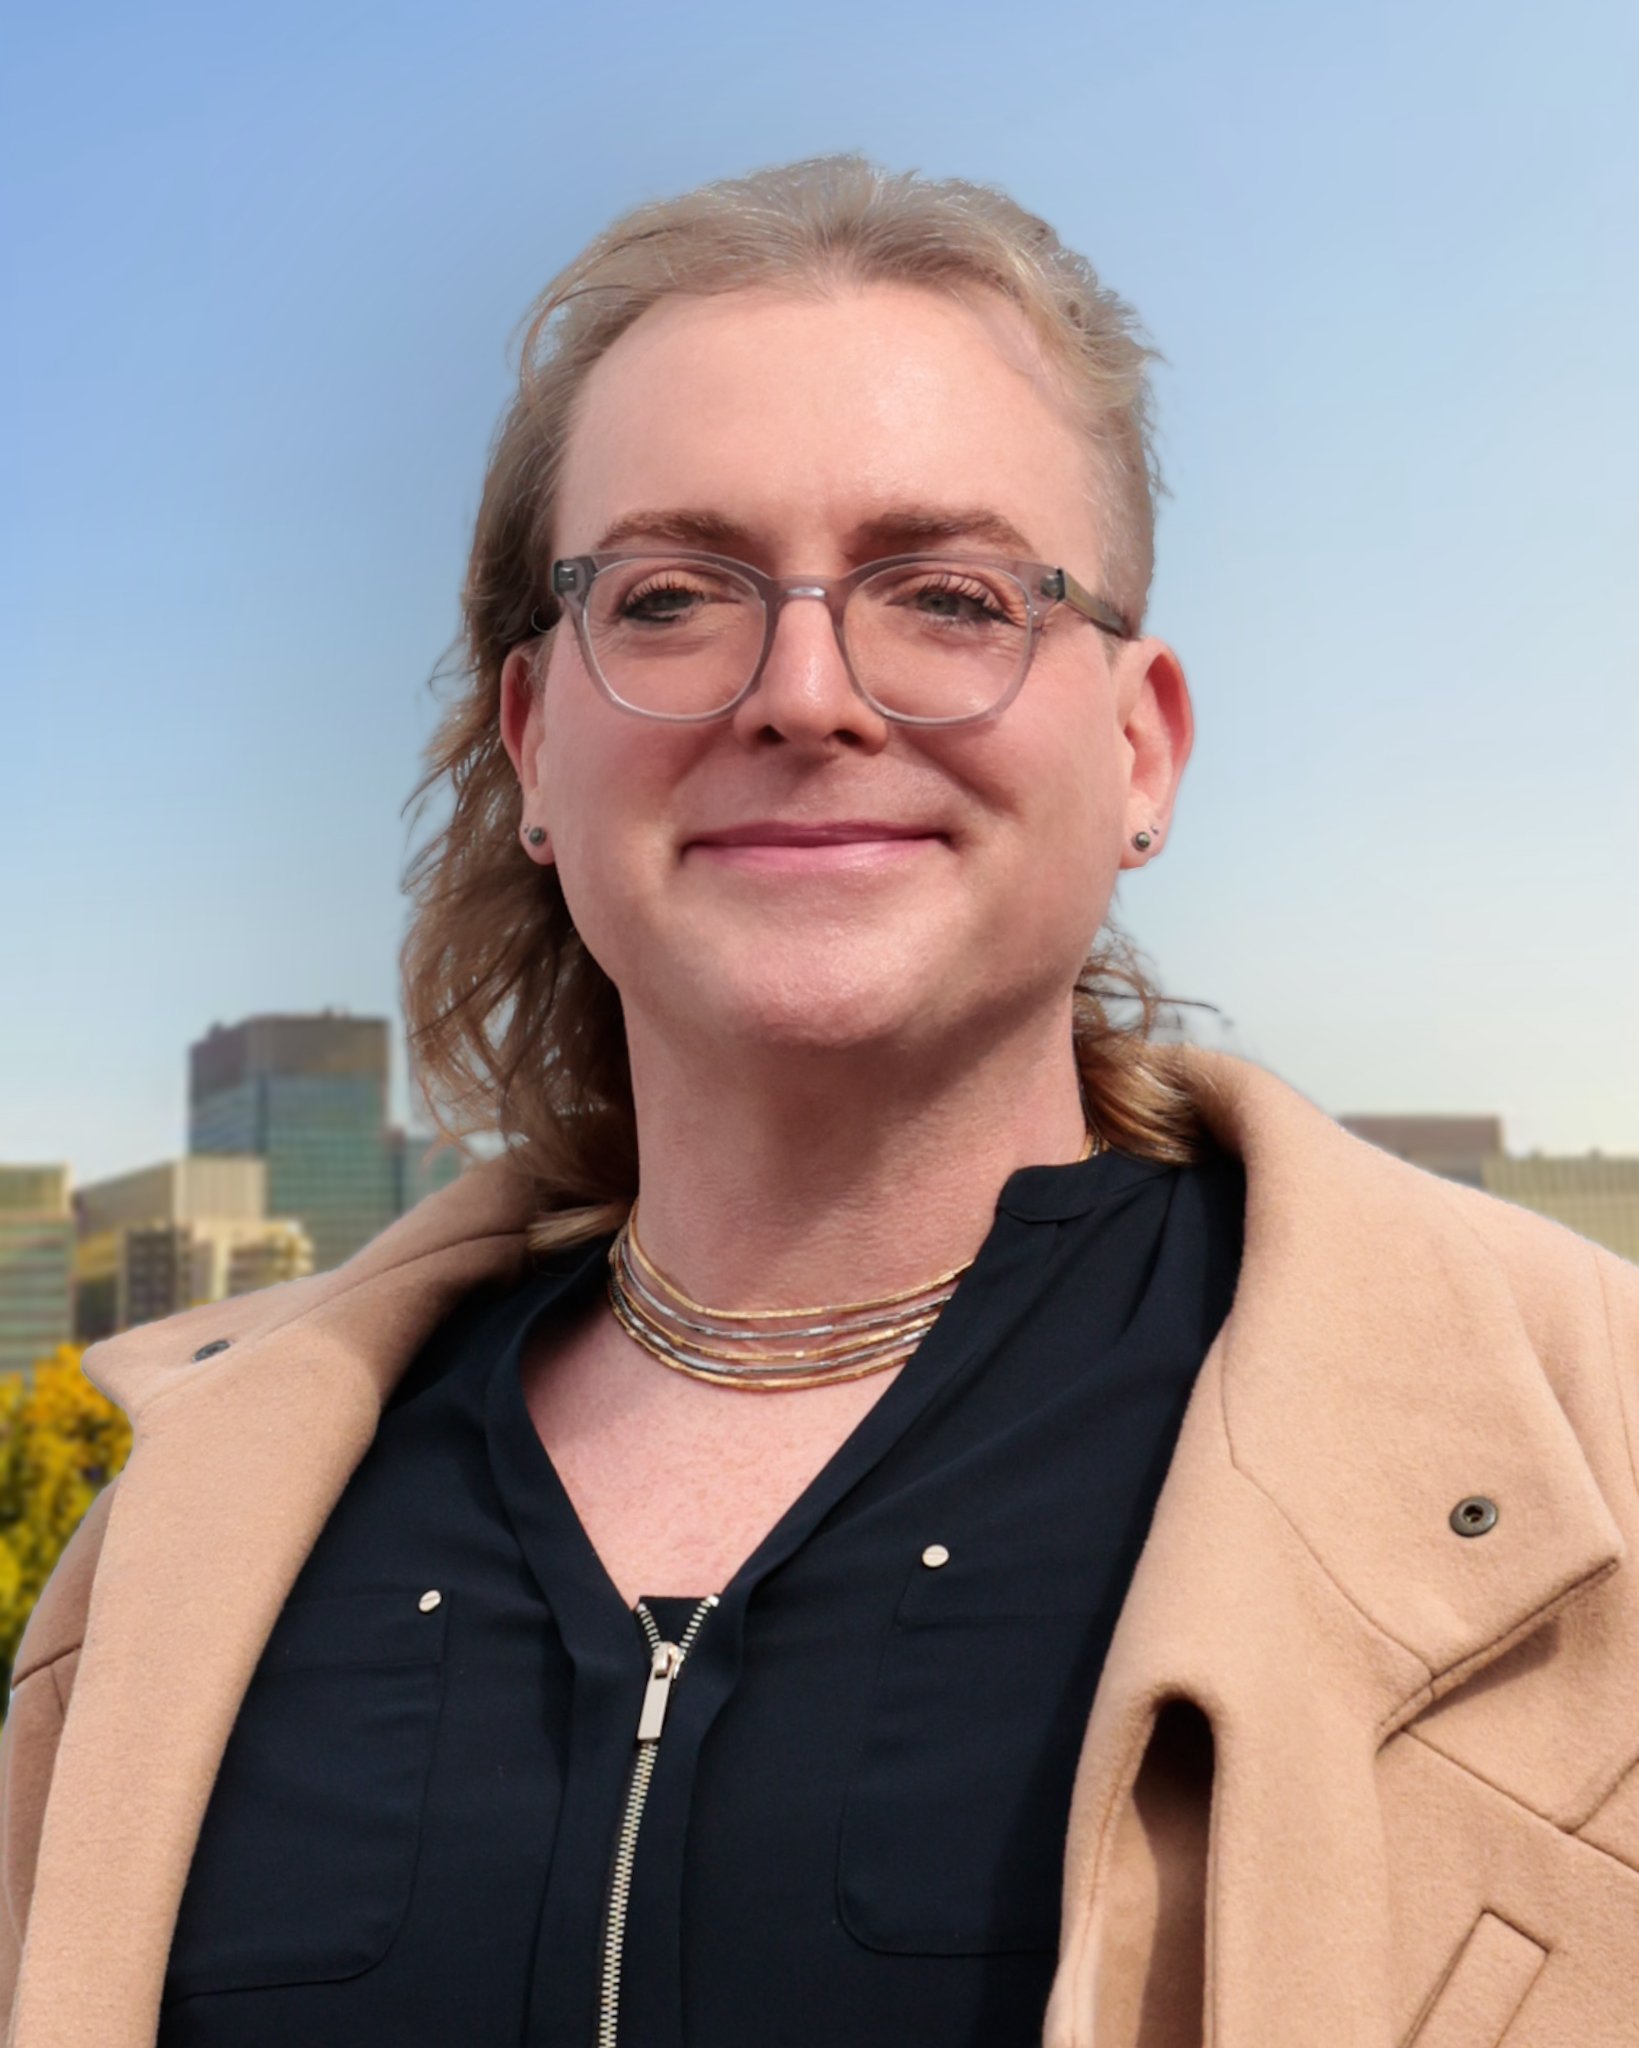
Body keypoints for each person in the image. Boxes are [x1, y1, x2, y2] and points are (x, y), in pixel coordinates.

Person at [2, 156, 1636, 2048]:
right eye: (671, 596)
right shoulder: (181, 1550)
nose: (803, 693)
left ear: (1139, 747)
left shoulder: (1591, 1449)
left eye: (947, 594)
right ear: (534, 748)